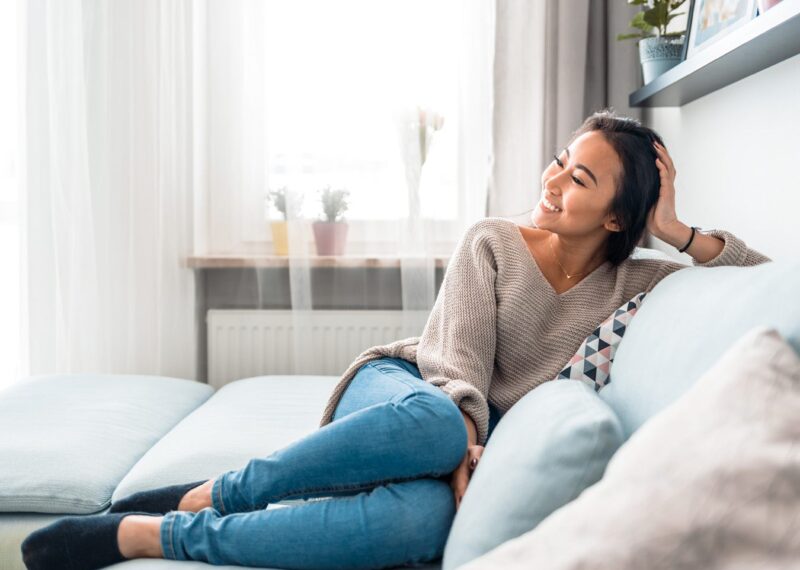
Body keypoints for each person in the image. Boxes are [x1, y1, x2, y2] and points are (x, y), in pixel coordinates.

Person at [21, 109, 772, 570]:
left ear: (617, 218)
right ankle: (216, 493)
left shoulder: (636, 281)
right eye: (558, 161)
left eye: (579, 179)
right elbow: (455, 366)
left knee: (418, 525)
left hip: (458, 436)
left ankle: (156, 533)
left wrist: (676, 230)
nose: (551, 182)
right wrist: (468, 438)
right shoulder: (495, 240)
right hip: (409, 394)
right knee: (441, 419)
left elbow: (759, 278)